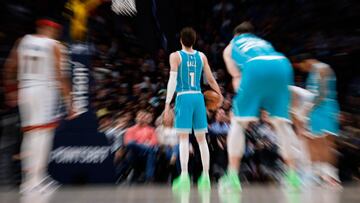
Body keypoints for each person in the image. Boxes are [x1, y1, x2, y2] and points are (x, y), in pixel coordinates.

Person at [220, 21, 301, 192]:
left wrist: (244, 104)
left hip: (255, 66)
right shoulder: (265, 43)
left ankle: (232, 178)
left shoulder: (231, 46)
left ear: (236, 35)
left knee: (238, 123)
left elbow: (236, 76)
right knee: (282, 124)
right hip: (282, 63)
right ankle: (293, 177)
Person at [4, 18, 72, 193]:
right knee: (42, 136)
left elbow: (9, 67)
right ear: (52, 30)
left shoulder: (23, 41)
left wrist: (11, 91)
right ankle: (32, 182)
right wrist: (70, 102)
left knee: (31, 134)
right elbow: (61, 76)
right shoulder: (56, 45)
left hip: (26, 90)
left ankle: (37, 178)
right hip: (45, 91)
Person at [163, 27, 222, 191]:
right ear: (194, 40)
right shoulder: (201, 56)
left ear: (181, 40)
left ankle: (184, 178)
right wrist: (219, 93)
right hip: (198, 97)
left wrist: (167, 104)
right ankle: (205, 177)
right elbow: (210, 78)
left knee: (183, 139)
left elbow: (172, 81)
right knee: (202, 140)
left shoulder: (175, 56)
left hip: (184, 96)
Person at [291, 56, 340, 186]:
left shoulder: (322, 68)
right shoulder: (313, 72)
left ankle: (331, 175)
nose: (302, 68)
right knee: (315, 142)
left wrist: (306, 109)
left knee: (326, 143)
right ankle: (320, 174)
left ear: (306, 60)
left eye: (301, 65)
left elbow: (321, 94)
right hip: (316, 111)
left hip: (325, 109)